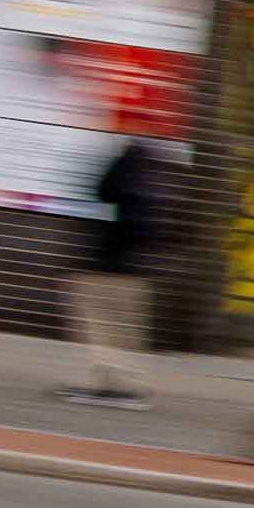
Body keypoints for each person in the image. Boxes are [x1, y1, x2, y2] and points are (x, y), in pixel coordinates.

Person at [68, 113, 175, 404]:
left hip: (111, 262)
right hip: (137, 265)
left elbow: (102, 190)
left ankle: (114, 386)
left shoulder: (129, 161)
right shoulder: (156, 166)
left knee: (102, 322)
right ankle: (131, 385)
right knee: (127, 327)